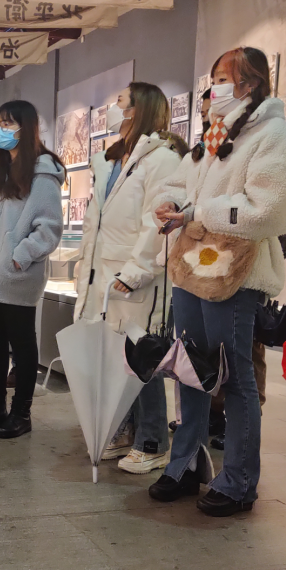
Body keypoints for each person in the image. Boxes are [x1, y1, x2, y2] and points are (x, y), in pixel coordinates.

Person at [151, 47, 286, 516]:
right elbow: (184, 181)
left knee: (234, 377)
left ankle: (238, 480)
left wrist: (198, 213)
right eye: (213, 78)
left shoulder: (272, 134)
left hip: (236, 272)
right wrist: (170, 203)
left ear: (249, 84)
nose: (213, 87)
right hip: (192, 263)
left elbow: (271, 209)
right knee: (190, 368)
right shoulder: (217, 131)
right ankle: (185, 464)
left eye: (222, 78)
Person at [77, 83, 186, 473]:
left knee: (142, 355)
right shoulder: (112, 160)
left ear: (139, 109)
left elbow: (155, 222)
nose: (113, 107)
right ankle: (123, 430)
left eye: (120, 101)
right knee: (114, 356)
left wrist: (137, 270)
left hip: (136, 275)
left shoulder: (162, 160)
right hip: (105, 274)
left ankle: (152, 440)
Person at [0, 101, 64, 438]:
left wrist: (18, 256)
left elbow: (49, 228)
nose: (1, 130)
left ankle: (22, 412)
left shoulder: (42, 172)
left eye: (8, 123)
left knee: (22, 346)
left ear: (26, 126)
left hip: (18, 275)